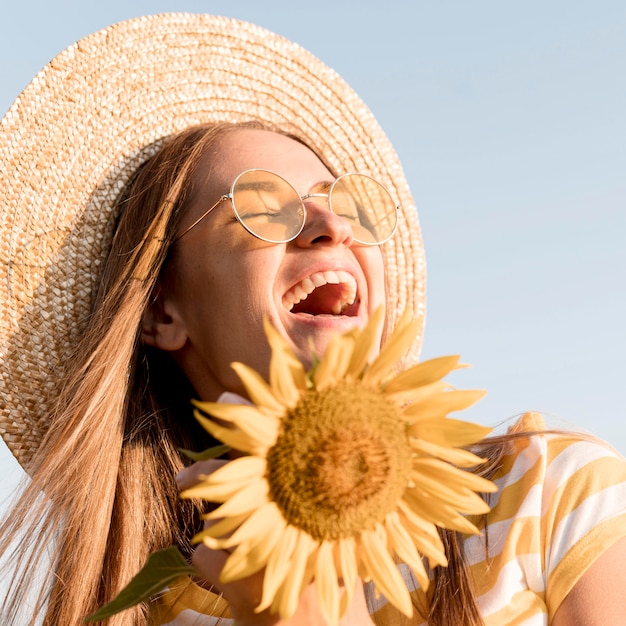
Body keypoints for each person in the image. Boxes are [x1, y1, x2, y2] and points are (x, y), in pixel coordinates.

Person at [0, 13, 625, 626]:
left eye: (347, 205)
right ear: (163, 310)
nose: (332, 226)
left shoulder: (550, 498)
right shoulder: (143, 613)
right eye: (263, 204)